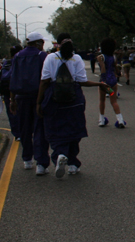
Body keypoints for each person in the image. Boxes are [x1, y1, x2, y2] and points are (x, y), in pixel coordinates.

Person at [36, 33, 107, 178]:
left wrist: (39, 102)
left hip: (54, 98)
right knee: (74, 129)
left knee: (55, 130)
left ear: (58, 45)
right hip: (74, 99)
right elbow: (82, 81)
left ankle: (60, 154)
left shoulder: (50, 58)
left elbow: (44, 81)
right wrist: (99, 84)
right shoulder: (77, 59)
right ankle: (73, 164)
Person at [8, 33, 49, 174]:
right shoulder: (42, 56)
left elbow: (12, 79)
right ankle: (41, 163)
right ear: (38, 43)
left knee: (25, 128)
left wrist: (12, 99)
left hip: (21, 97)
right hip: (38, 96)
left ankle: (27, 159)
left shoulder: (18, 57)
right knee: (39, 129)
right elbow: (46, 79)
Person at [97, 38, 127, 128]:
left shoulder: (101, 57)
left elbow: (103, 68)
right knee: (113, 101)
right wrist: (118, 73)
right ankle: (120, 120)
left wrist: (103, 80)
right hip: (113, 81)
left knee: (102, 100)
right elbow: (115, 68)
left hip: (105, 81)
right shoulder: (113, 57)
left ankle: (101, 120)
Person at [0, 44, 22, 141]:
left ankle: (17, 133)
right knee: (21, 111)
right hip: (18, 90)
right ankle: (23, 131)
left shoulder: (6, 63)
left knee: (11, 112)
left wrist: (0, 91)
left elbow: (0, 77)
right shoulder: (20, 62)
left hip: (6, 91)